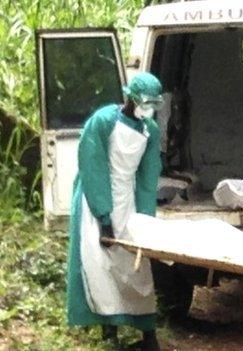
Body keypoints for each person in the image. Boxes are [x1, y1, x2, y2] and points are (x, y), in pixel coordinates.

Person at [66, 72, 164, 351]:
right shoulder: (103, 121)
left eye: (153, 104)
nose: (148, 109)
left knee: (135, 265)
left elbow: (148, 177)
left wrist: (146, 221)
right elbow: (92, 166)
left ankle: (147, 332)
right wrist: (103, 216)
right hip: (96, 200)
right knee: (99, 264)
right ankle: (109, 330)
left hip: (128, 199)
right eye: (145, 102)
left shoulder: (150, 130)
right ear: (131, 98)